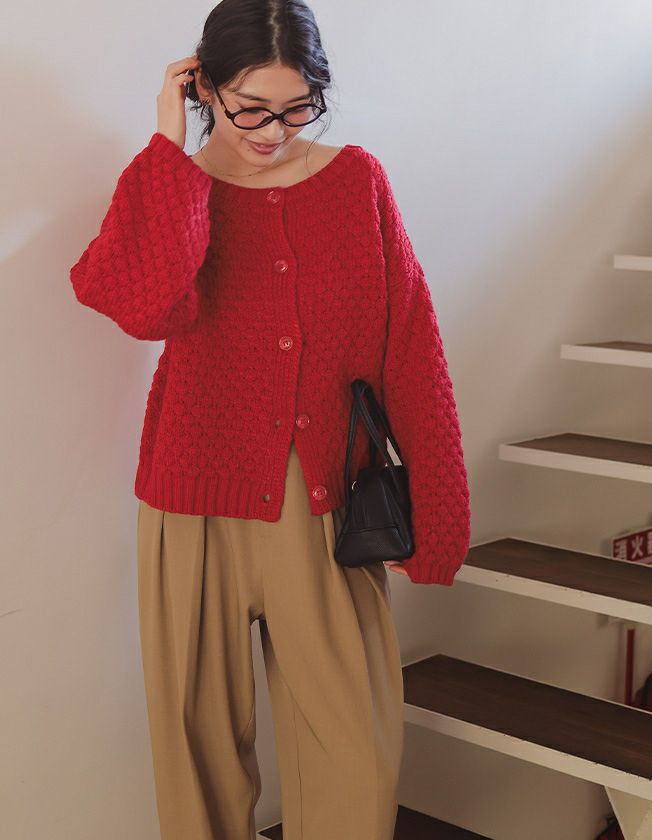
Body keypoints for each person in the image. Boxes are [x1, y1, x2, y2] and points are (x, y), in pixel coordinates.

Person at [69, 1, 471, 837]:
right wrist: (170, 151)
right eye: (251, 108)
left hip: (324, 507)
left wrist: (439, 516)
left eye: (297, 108)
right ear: (203, 88)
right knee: (199, 763)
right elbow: (142, 306)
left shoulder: (355, 182)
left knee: (354, 758)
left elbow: (410, 347)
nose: (274, 130)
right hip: (193, 505)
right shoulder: (174, 184)